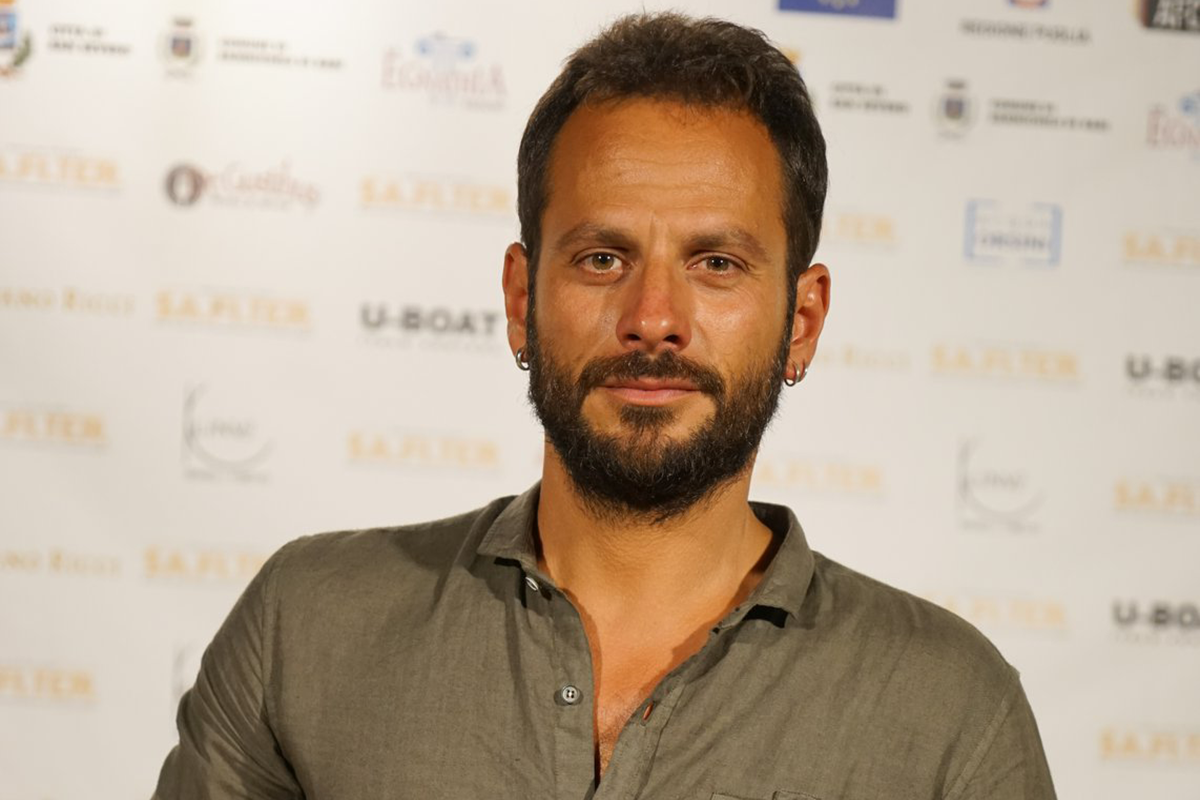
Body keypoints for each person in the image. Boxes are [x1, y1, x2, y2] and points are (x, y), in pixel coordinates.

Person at [153, 13, 1056, 799]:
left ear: (803, 321)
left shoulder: (951, 713)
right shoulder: (306, 630)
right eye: (602, 259)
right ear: (521, 298)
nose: (653, 318)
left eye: (717, 264)